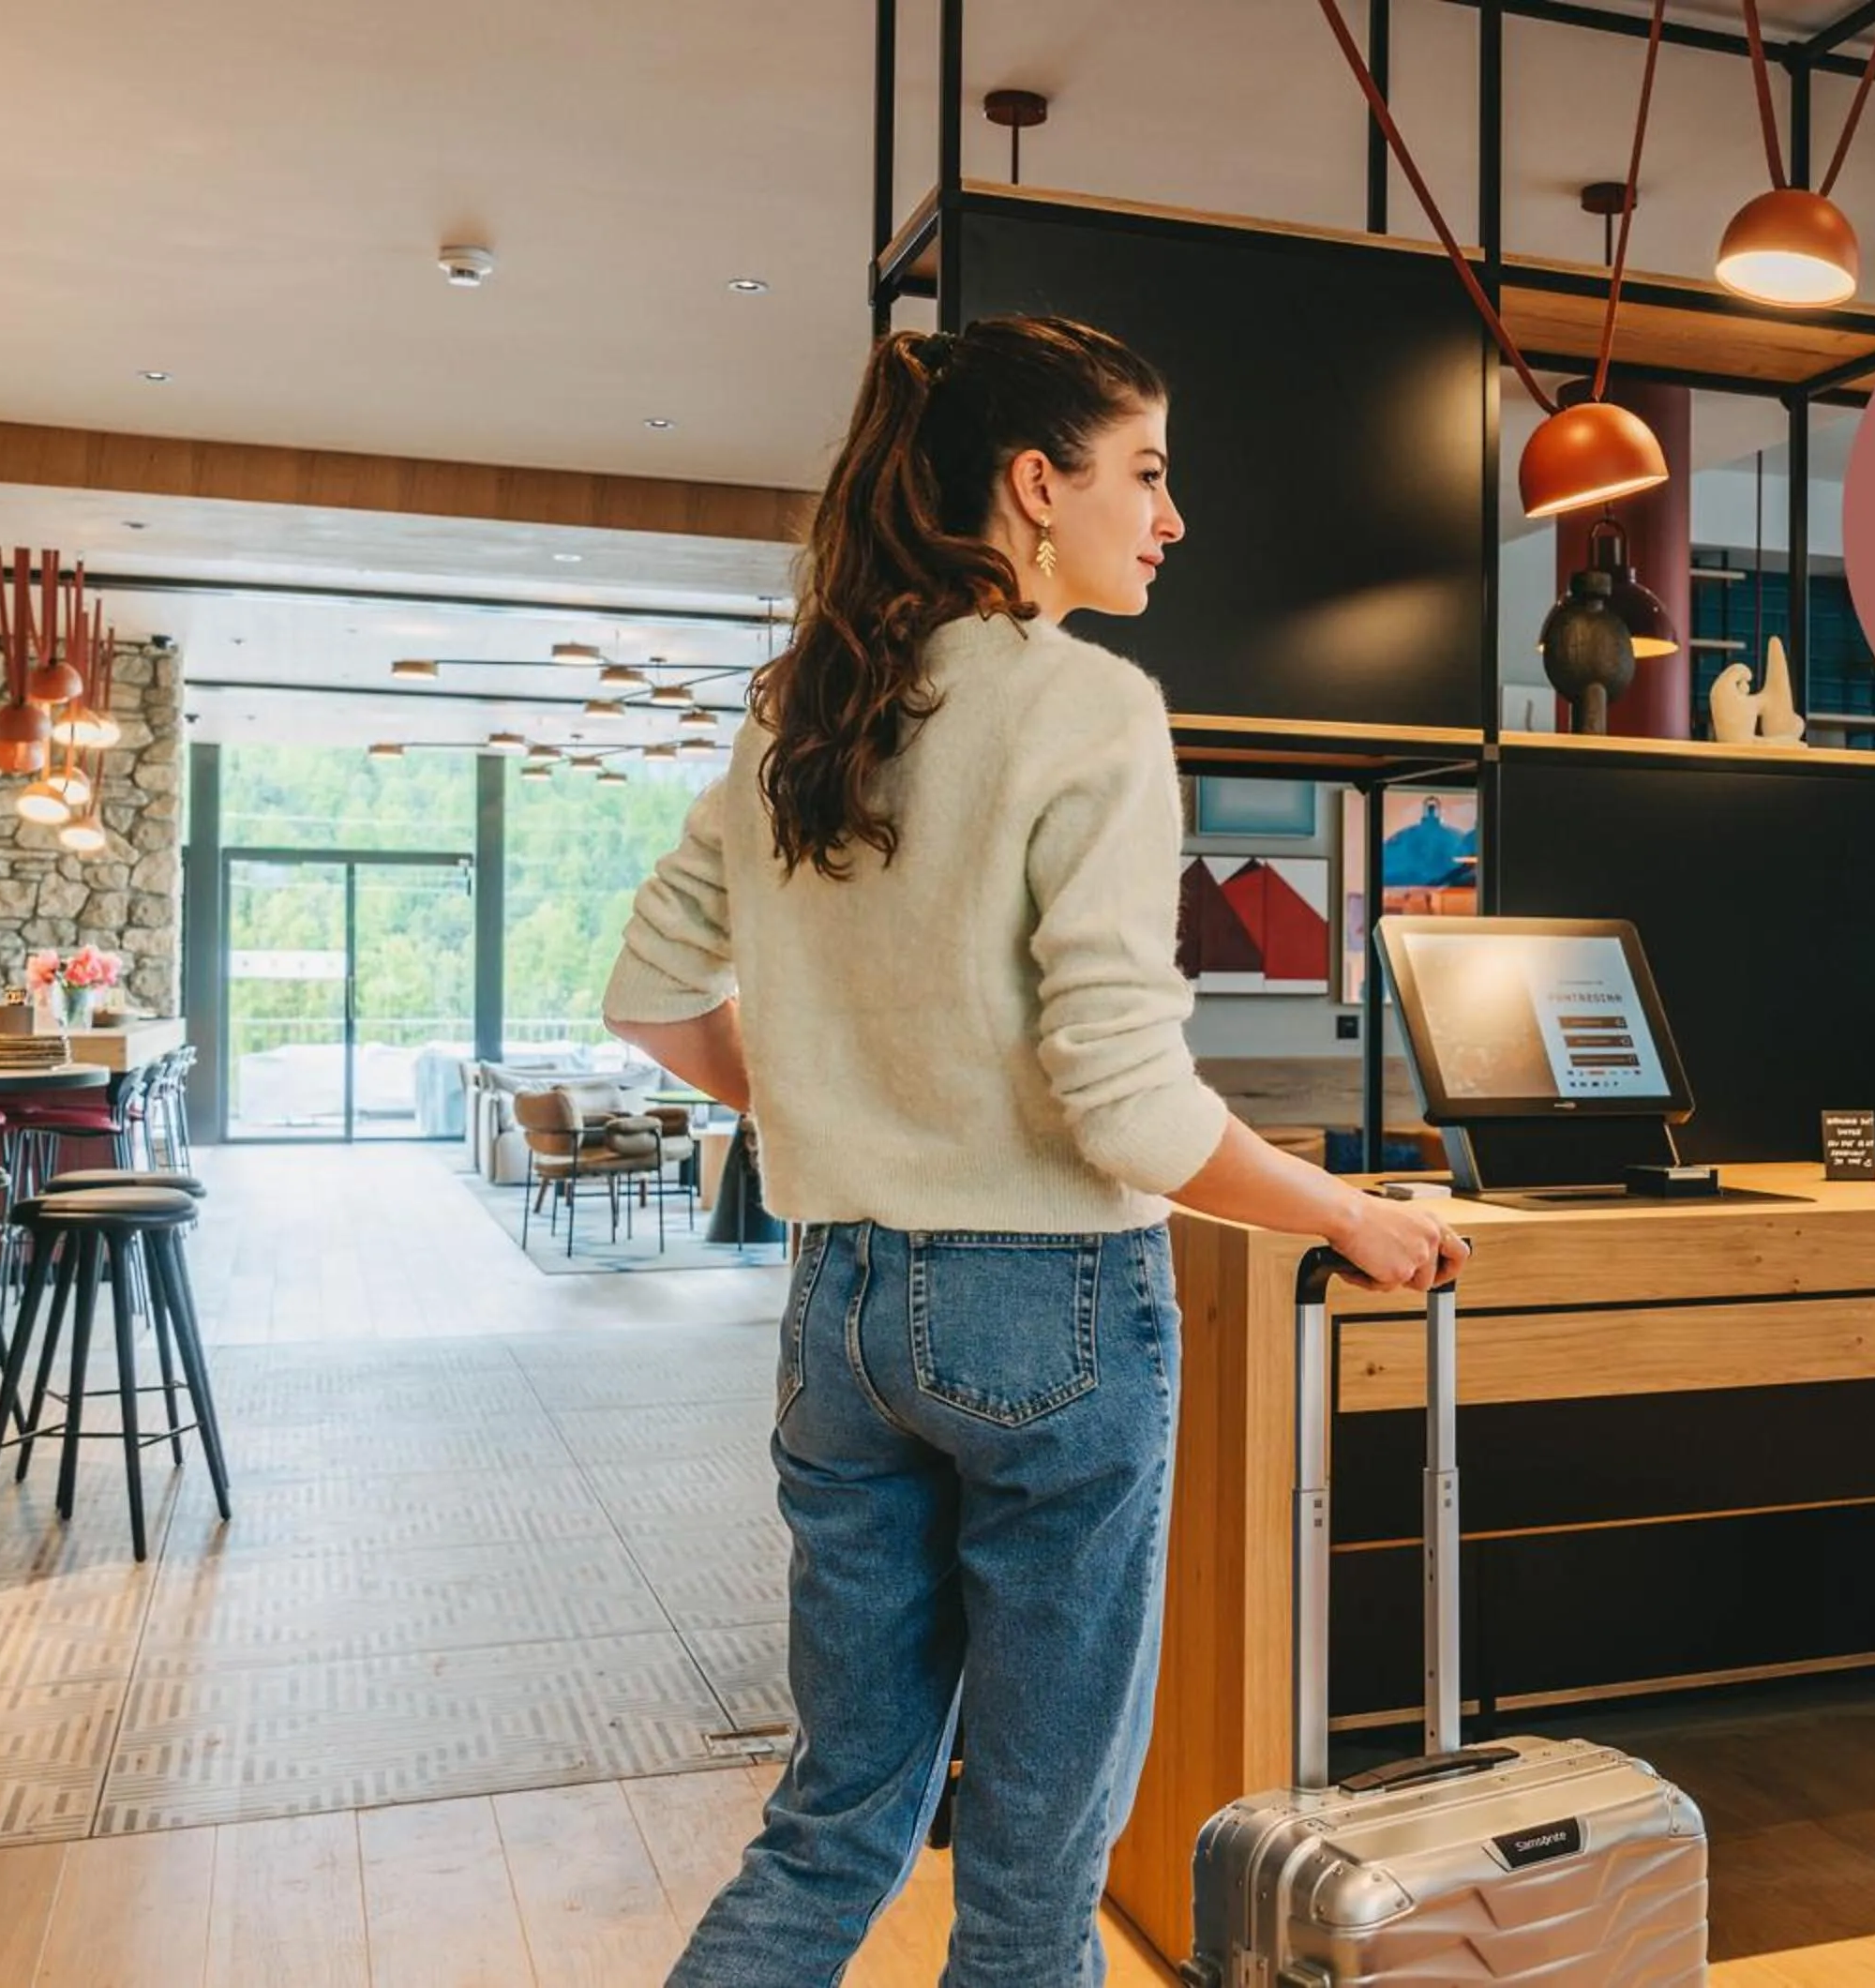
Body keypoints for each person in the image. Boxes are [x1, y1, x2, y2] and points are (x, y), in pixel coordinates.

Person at [601, 314, 1469, 1988]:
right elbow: (1126, 1108)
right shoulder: (1084, 707)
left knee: (832, 1822)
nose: (1172, 517)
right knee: (1029, 1886)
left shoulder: (806, 714)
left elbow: (650, 999)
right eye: (1145, 472)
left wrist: (836, 1110)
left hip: (838, 1311)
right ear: (1034, 484)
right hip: (1049, 1314)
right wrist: (1346, 1213)